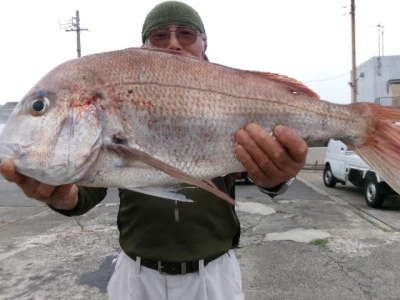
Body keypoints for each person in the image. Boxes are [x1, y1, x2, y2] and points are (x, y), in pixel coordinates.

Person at [0, 1, 308, 299]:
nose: (173, 44)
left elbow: (265, 171)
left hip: (214, 278)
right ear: (144, 47)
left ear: (205, 45)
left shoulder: (232, 94)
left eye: (186, 34)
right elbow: (85, 191)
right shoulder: (125, 97)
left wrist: (276, 179)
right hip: (137, 277)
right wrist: (65, 197)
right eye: (160, 35)